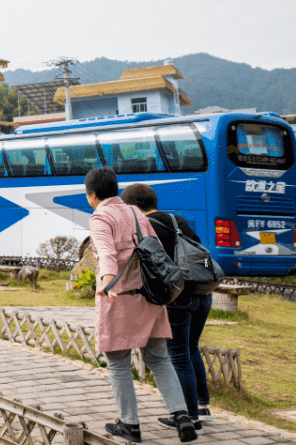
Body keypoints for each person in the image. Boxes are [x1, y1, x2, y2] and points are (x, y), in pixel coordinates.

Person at [86, 167, 198, 443]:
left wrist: (107, 281)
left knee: (118, 362)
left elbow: (105, 251)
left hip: (120, 297)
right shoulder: (136, 212)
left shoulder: (101, 215)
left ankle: (130, 425)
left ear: (94, 195)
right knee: (160, 359)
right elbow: (155, 249)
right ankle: (182, 416)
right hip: (149, 296)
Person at [122, 183, 212, 431]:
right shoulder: (176, 219)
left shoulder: (145, 227)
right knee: (191, 348)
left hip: (178, 297)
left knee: (178, 356)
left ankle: (190, 417)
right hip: (202, 293)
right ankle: (202, 406)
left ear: (132, 208)